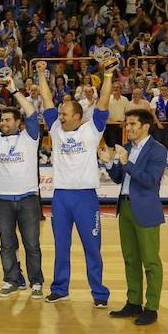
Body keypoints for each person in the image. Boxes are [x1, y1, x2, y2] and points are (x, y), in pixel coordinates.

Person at [38, 59, 113, 307]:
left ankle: (99, 294)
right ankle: (60, 288)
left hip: (85, 197)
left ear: (78, 117)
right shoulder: (56, 130)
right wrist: (40, 73)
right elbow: (47, 101)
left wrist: (109, 75)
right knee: (61, 246)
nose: (59, 116)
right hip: (61, 197)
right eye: (59, 114)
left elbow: (102, 104)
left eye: (65, 114)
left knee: (92, 248)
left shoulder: (92, 130)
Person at [101, 109, 168, 326]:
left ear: (145, 126)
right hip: (126, 208)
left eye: (132, 124)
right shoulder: (127, 148)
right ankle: (134, 302)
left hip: (146, 209)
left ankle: (152, 307)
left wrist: (127, 163)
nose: (127, 128)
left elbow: (150, 180)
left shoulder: (158, 151)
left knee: (150, 261)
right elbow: (119, 177)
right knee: (130, 259)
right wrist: (109, 163)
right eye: (127, 125)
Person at [0, 76, 42, 299]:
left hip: (28, 199)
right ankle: (11, 280)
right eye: (2, 119)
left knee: (32, 244)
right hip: (2, 199)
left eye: (7, 120)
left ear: (18, 123)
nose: (2, 123)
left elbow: (32, 112)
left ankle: (36, 283)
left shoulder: (30, 137)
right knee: (6, 244)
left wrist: (15, 91)